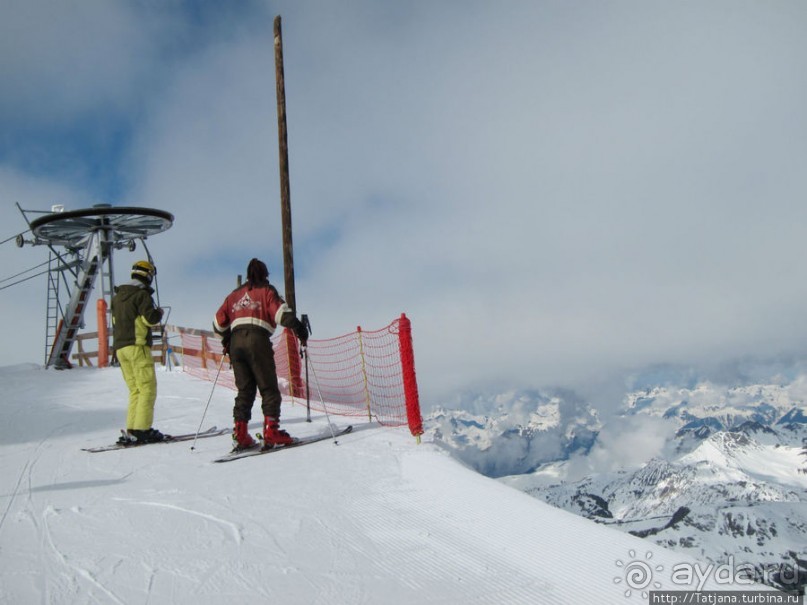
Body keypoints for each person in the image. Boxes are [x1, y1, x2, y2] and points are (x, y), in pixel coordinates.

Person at [213, 258, 309, 450]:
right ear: (265, 274)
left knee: (245, 390)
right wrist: (299, 328)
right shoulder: (267, 291)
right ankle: (272, 431)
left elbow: (218, 322)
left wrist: (226, 340)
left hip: (236, 343)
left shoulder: (234, 295)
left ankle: (240, 433)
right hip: (258, 340)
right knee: (268, 388)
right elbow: (281, 314)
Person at [112, 260, 167, 444]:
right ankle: (143, 430)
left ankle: (133, 428)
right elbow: (149, 319)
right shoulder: (141, 295)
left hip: (121, 349)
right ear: (148, 276)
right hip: (137, 346)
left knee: (135, 390)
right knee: (147, 389)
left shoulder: (118, 297)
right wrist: (158, 312)